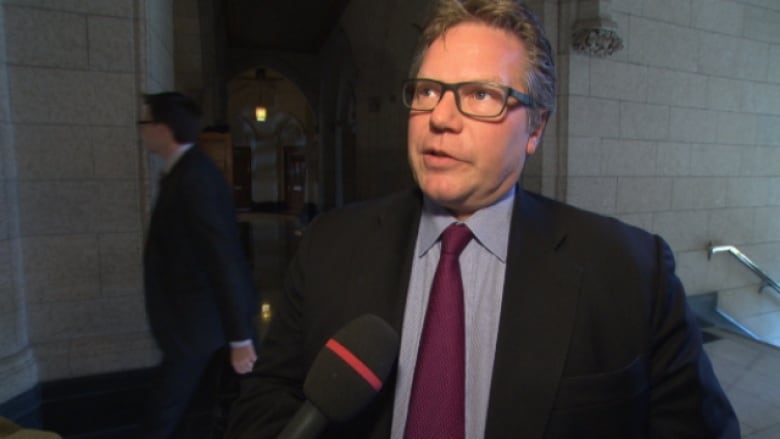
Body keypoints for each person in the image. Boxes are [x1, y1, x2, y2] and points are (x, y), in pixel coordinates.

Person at [226, 1, 740, 437]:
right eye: (427, 90)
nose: (441, 118)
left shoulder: (630, 270)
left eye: (481, 96)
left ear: (535, 128)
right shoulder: (329, 246)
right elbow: (262, 403)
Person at [140, 92, 258, 438]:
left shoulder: (194, 180)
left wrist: (240, 338)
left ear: (164, 129)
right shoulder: (185, 173)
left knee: (163, 416)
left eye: (146, 123)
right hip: (194, 325)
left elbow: (223, 259)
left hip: (197, 327)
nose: (142, 131)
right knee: (193, 413)